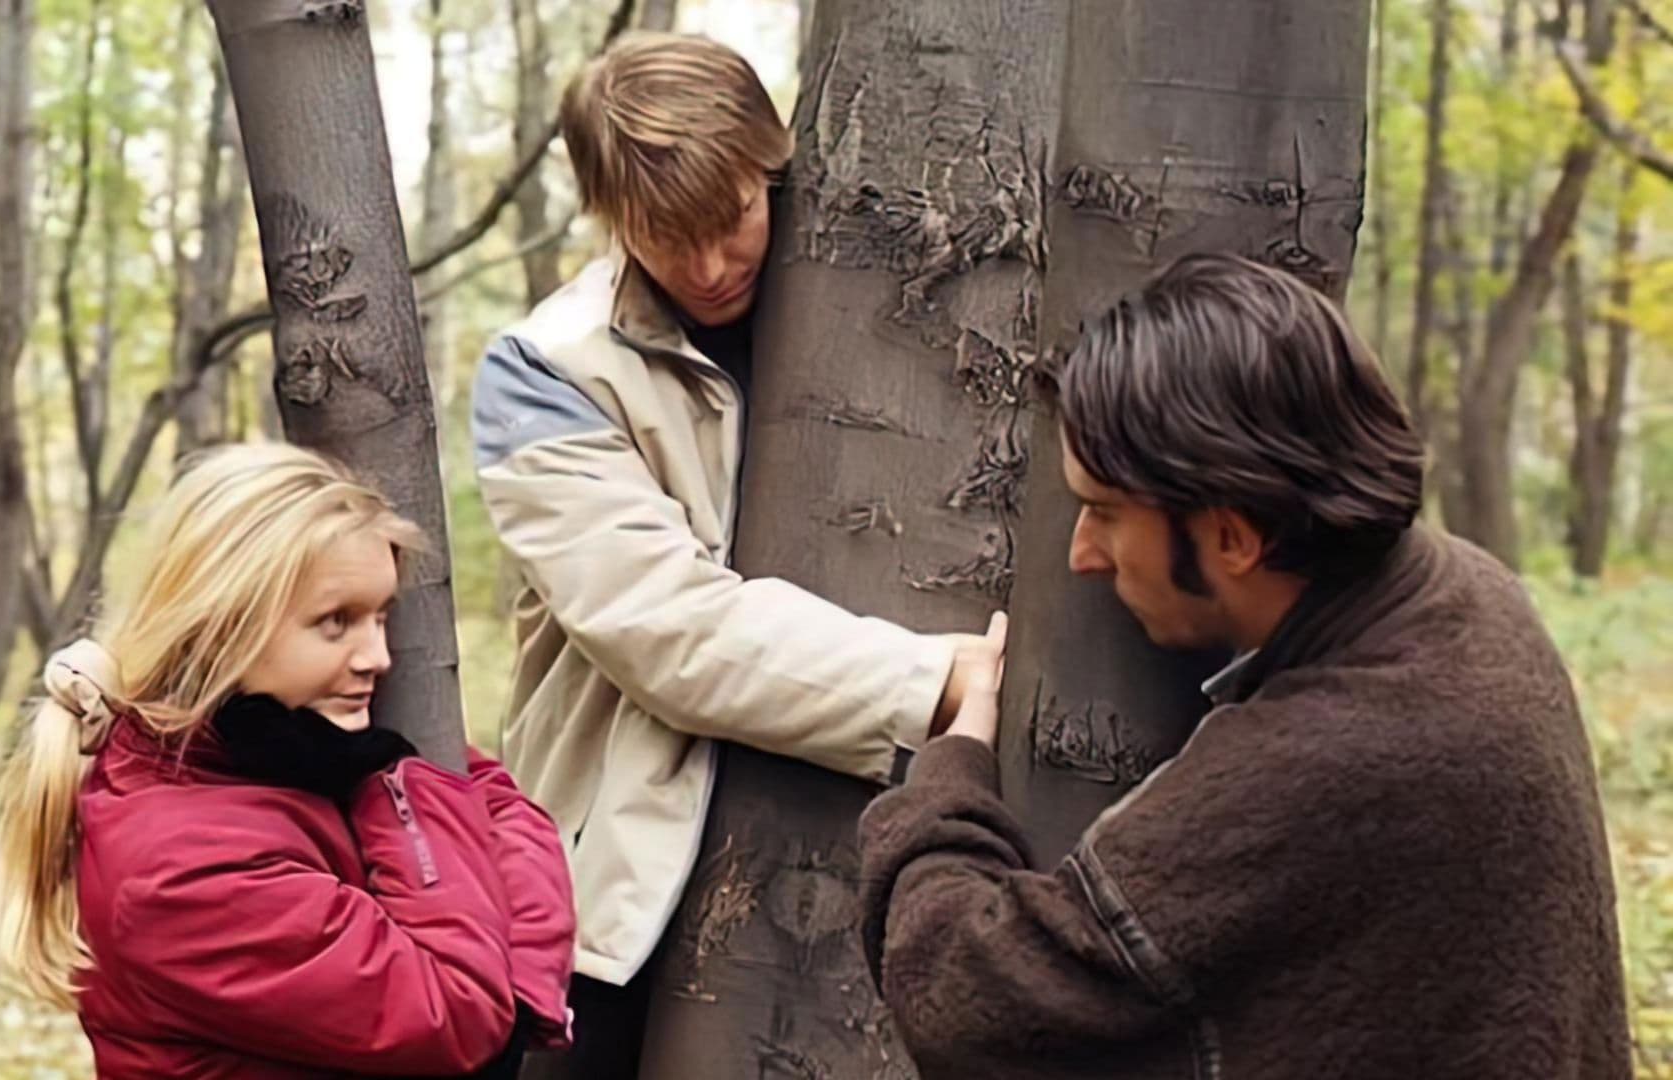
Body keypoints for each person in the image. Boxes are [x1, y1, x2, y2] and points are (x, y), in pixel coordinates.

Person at [857, 254, 1631, 1079]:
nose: (1083, 554)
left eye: (1109, 515)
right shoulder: (1469, 593)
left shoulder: (1331, 754)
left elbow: (973, 1000)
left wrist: (950, 772)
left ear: (1231, 536)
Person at [469, 31, 996, 1078]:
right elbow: (667, 629)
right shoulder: (543, 374)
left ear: (775, 164)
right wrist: (938, 680)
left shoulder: (872, 296)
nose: (710, 268)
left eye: (732, 220)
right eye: (668, 239)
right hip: (605, 906)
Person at [0, 443, 576, 1079]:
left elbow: (513, 817)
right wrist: (393, 788)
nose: (379, 656)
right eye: (335, 622)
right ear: (224, 626)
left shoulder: (307, 752)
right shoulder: (179, 870)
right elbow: (454, 1013)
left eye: (382, 617)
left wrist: (514, 1000)